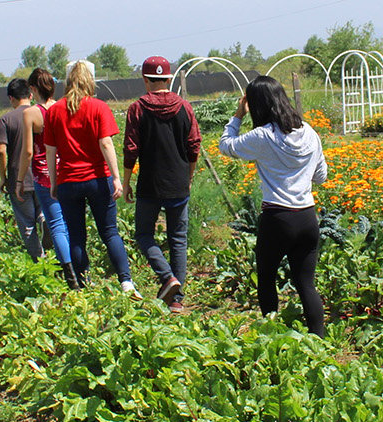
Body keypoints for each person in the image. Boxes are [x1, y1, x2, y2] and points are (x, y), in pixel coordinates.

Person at [218, 75, 329, 334]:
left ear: (257, 105)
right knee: (306, 284)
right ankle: (319, 342)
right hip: (307, 216)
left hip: (277, 217)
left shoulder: (263, 136)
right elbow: (321, 176)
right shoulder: (309, 132)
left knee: (266, 279)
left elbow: (226, 146)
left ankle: (272, 336)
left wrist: (237, 116)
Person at [43, 60, 136, 294]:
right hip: (97, 179)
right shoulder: (98, 107)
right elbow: (105, 142)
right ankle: (126, 282)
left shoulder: (54, 111)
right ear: (90, 81)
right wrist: (116, 178)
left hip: (68, 181)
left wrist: (54, 182)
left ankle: (83, 286)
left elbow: (50, 152)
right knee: (109, 232)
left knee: (76, 236)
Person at [123, 56, 201, 313]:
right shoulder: (185, 108)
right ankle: (177, 301)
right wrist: (188, 177)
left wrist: (126, 182)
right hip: (178, 183)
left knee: (144, 235)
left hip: (150, 185)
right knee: (178, 239)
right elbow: (193, 146)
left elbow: (131, 149)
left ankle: (168, 277)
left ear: (146, 80)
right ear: (168, 79)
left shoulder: (137, 109)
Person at [19, 68, 75, 285]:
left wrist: (19, 180)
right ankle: (81, 268)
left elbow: (28, 151)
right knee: (71, 223)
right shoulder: (64, 107)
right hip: (68, 171)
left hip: (44, 176)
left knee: (57, 224)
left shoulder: (31, 114)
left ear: (33, 89)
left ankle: (69, 274)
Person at [0, 78, 41, 260]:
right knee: (45, 212)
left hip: (18, 179)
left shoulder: (6, 119)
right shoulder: (40, 114)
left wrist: (3, 177)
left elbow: (0, 150)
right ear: (30, 95)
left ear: (10, 98)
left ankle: (39, 259)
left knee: (27, 222)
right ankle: (44, 222)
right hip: (41, 176)